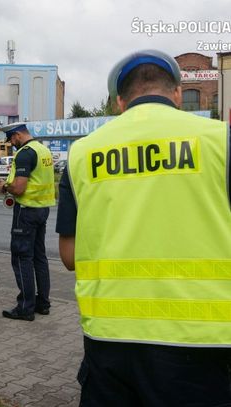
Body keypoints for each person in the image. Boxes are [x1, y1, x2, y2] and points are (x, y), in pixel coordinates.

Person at [57, 49, 231, 406]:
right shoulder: (221, 140)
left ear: (120, 102)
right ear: (179, 94)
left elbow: (69, 255)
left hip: (110, 342)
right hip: (207, 344)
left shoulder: (82, 154)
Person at [0, 123, 55, 321]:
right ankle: (43, 303)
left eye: (11, 139)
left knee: (22, 257)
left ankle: (25, 307)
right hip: (42, 209)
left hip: (27, 210)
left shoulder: (25, 153)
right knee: (40, 257)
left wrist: (5, 186)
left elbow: (20, 188)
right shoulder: (44, 150)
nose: (12, 144)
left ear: (18, 135)